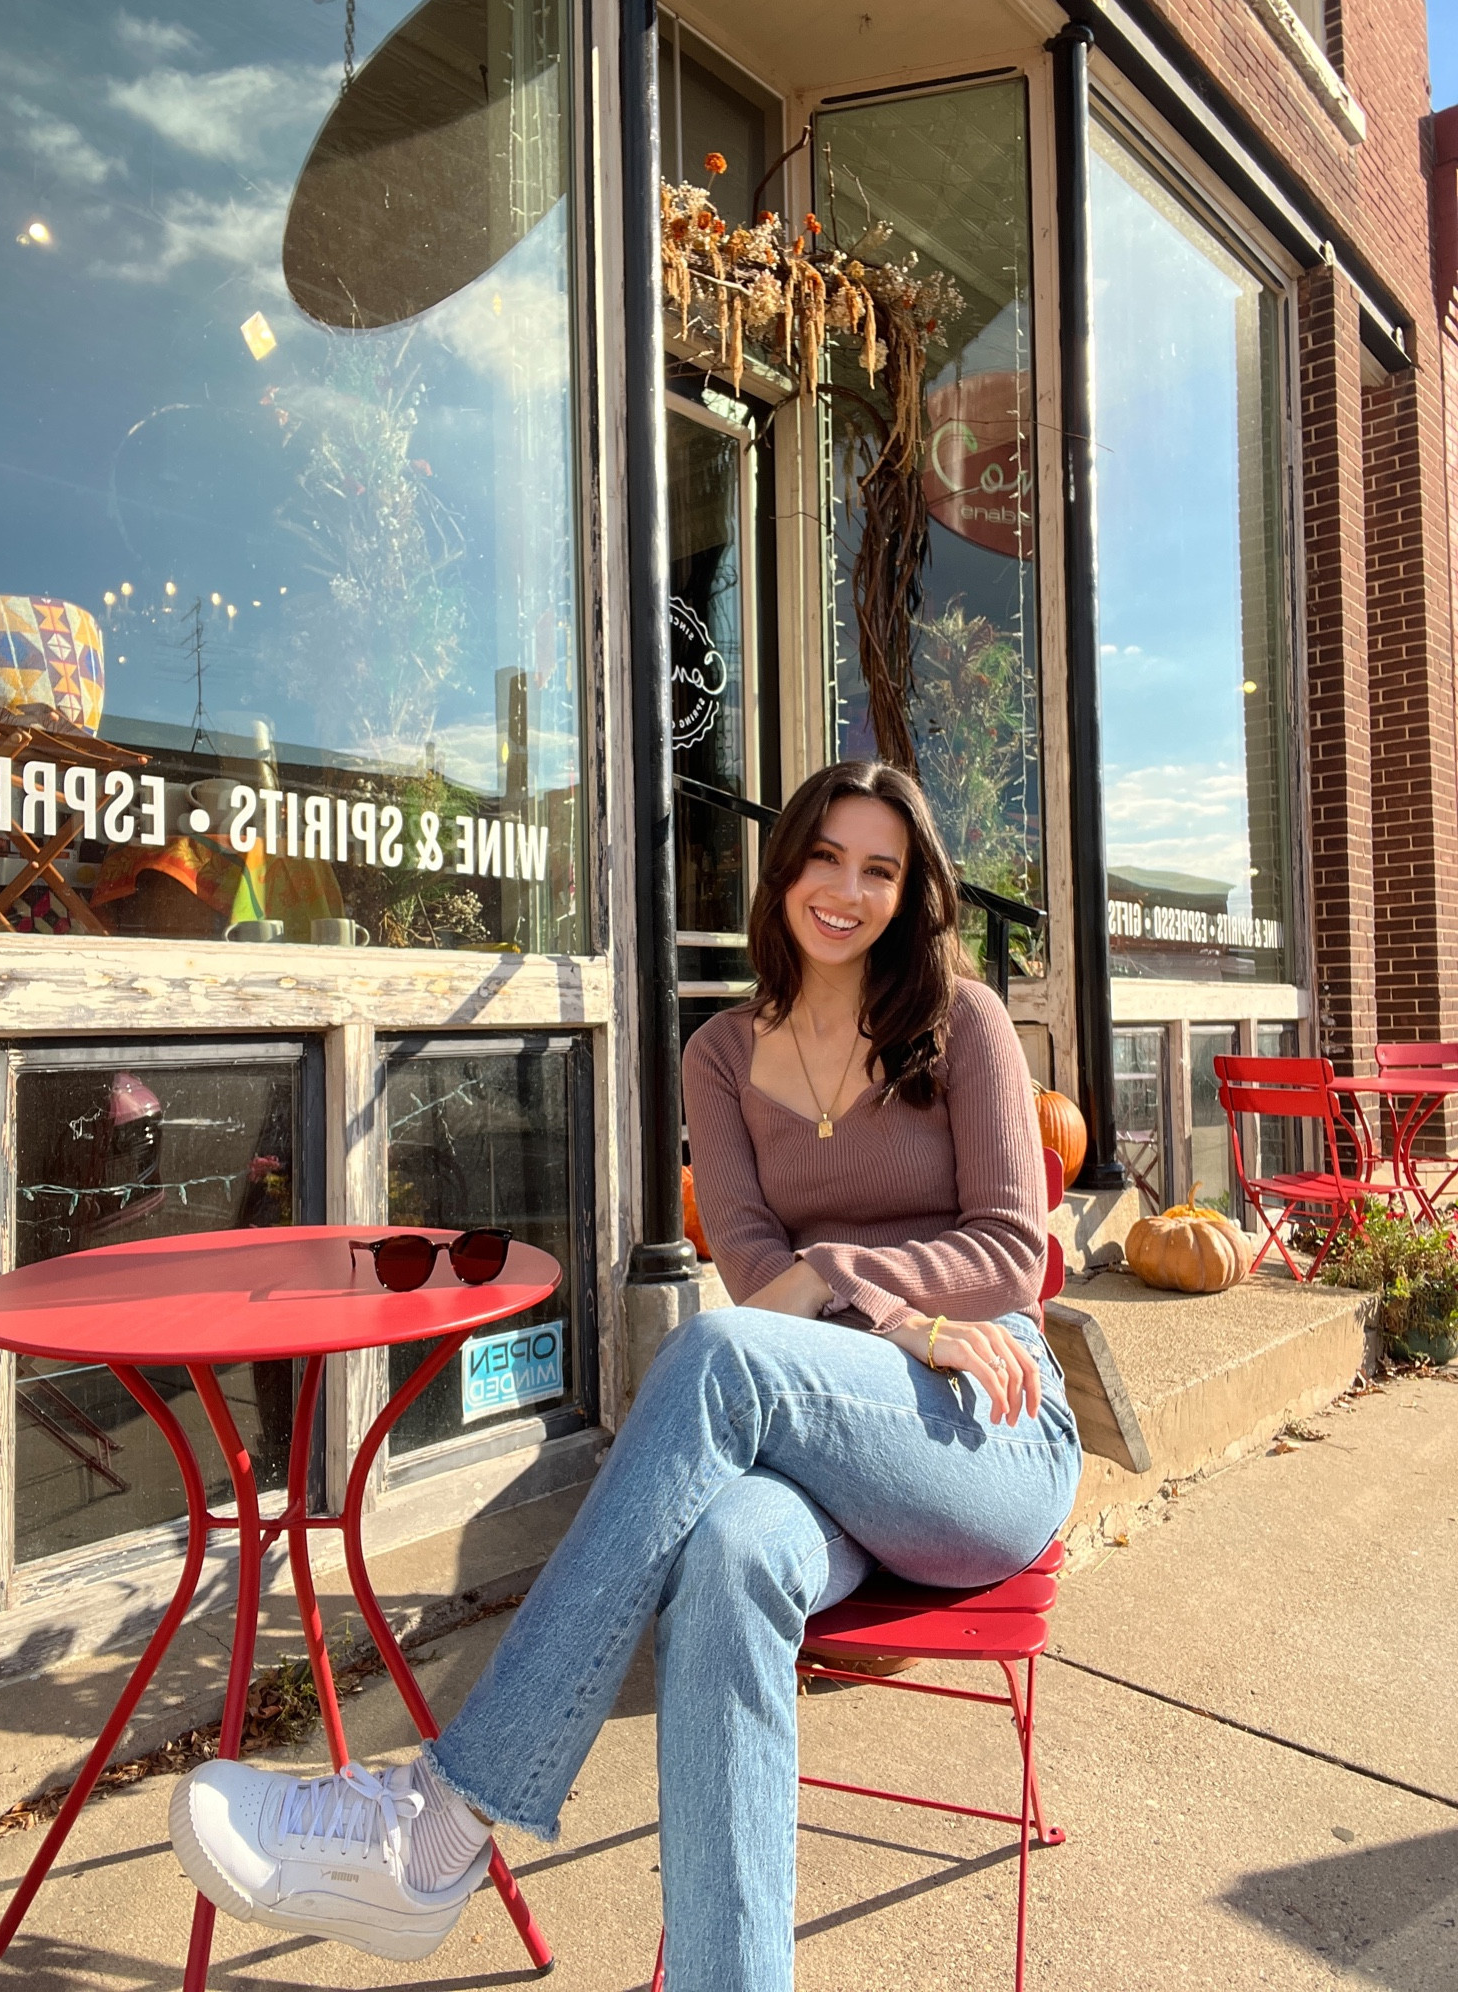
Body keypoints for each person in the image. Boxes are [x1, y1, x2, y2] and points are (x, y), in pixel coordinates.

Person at [168, 758, 1082, 1990]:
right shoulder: (719, 1054)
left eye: (881, 867)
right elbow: (761, 1276)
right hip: (816, 1438)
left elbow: (1013, 1255)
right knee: (731, 1554)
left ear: (912, 890)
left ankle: (441, 1819)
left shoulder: (958, 1025)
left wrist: (865, 1290)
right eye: (825, 857)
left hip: (985, 1429)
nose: (847, 890)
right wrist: (896, 1308)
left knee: (712, 1355)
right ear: (785, 869)